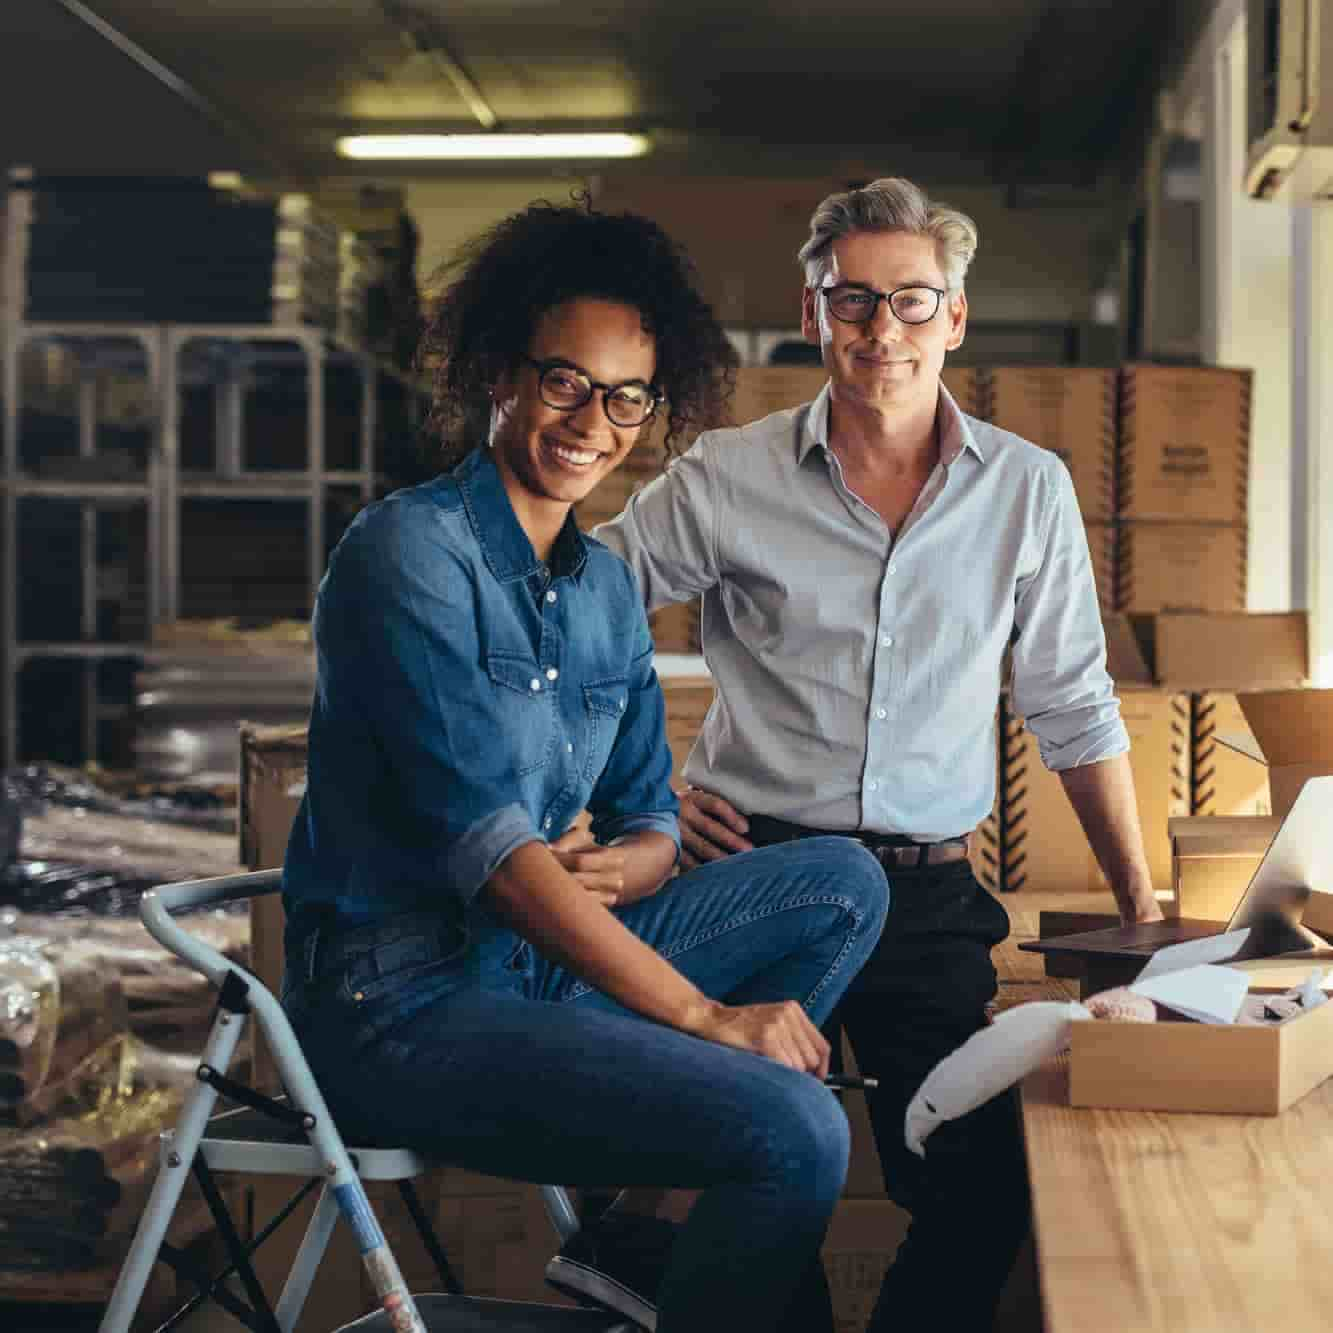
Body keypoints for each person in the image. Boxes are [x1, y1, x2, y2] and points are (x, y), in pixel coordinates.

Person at [278, 199, 889, 1333]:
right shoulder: (409, 555)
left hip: (533, 964)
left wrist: (620, 865)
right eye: (564, 381)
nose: (591, 422)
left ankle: (644, 1237)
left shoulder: (604, 585)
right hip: (399, 1003)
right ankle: (676, 1230)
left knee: (842, 880)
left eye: (624, 397)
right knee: (795, 1129)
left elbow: (650, 812)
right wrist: (706, 1020)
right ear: (501, 372)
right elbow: (494, 855)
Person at [593, 177, 1163, 1332]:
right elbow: (569, 621)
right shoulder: (726, 475)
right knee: (761, 1175)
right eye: (852, 302)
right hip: (755, 878)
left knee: (980, 1177)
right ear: (813, 315)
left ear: (955, 318)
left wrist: (1143, 911)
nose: (880, 332)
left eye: (911, 303)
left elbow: (1073, 706)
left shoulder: (1026, 492)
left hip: (926, 889)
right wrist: (642, 795)